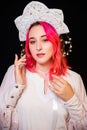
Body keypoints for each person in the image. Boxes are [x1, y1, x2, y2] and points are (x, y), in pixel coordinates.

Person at [0, 1, 87, 130]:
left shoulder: (74, 79)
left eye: (45, 40)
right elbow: (2, 123)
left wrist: (71, 99)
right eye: (33, 41)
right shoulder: (15, 72)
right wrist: (17, 86)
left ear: (55, 42)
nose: (38, 47)